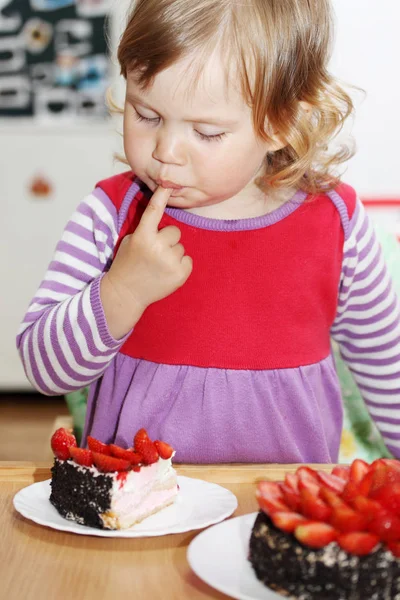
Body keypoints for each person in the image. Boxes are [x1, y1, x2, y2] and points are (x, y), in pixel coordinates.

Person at [17, 0, 400, 464]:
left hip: (282, 513)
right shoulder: (110, 216)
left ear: (281, 123)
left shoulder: (338, 223)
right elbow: (44, 370)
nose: (166, 152)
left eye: (206, 131)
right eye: (146, 115)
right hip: (139, 516)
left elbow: (389, 371)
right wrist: (120, 292)